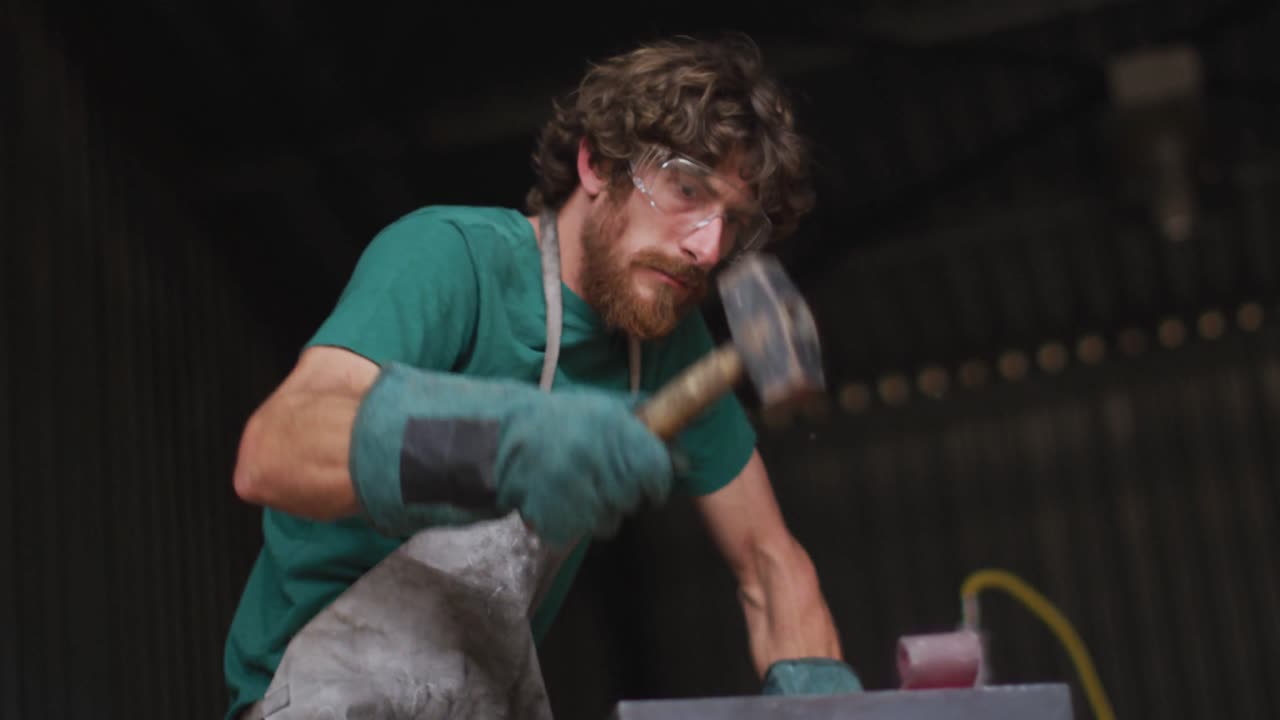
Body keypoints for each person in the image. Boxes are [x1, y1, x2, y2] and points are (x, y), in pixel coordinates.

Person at [223, 32, 861, 719]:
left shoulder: (673, 348)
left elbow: (771, 566)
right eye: (685, 188)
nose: (706, 248)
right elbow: (273, 453)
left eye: (731, 221)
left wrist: (818, 701)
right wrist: (501, 448)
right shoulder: (452, 261)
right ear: (594, 163)